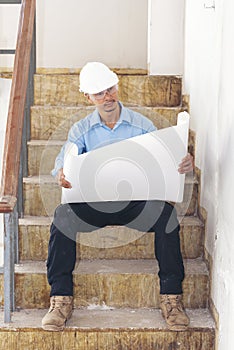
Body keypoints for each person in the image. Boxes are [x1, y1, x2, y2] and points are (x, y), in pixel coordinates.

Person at [42, 62, 194, 332]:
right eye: (99, 93)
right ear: (88, 97)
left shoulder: (141, 125)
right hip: (94, 206)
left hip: (134, 204)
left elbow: (166, 159)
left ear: (117, 86)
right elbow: (63, 162)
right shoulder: (81, 130)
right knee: (62, 217)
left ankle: (172, 298)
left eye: (110, 89)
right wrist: (61, 173)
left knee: (167, 215)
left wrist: (181, 164)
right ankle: (60, 299)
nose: (107, 98)